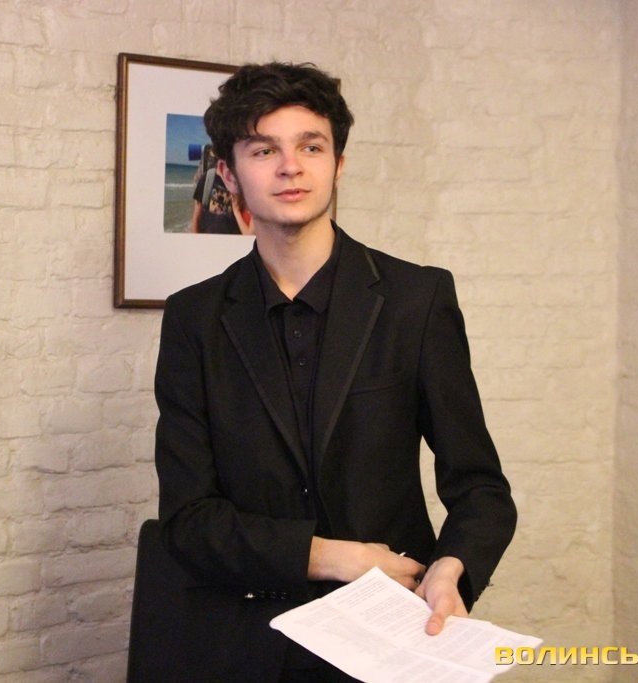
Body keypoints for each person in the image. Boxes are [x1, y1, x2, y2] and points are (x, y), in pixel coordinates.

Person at [153, 61, 516, 682]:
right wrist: (332, 557)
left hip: (393, 633)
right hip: (247, 641)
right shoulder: (194, 317)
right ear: (229, 174)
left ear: (338, 163)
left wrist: (453, 568)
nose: (290, 167)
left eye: (311, 146)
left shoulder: (416, 300)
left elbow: (480, 488)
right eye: (263, 150)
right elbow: (188, 523)